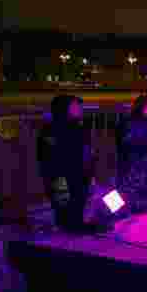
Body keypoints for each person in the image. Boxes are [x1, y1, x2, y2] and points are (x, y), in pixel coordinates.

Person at [37, 95, 106, 234]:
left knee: (78, 201)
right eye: (74, 107)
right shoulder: (51, 130)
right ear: (64, 109)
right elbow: (50, 156)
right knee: (64, 203)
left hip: (79, 174)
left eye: (78, 107)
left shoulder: (78, 128)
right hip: (60, 176)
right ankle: (69, 226)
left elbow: (85, 149)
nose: (79, 110)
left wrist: (90, 164)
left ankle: (76, 224)